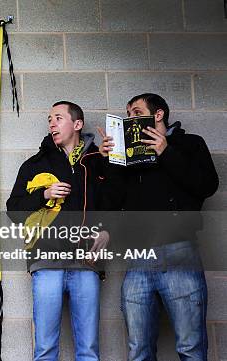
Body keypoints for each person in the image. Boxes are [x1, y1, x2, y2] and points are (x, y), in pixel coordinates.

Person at [99, 93, 219, 361]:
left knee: (191, 348)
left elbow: (207, 185)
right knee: (138, 350)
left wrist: (166, 151)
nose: (130, 118)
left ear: (158, 115)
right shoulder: (126, 155)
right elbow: (110, 200)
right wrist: (111, 160)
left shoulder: (190, 144)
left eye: (136, 112)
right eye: (128, 114)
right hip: (138, 257)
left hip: (180, 252)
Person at [7, 101, 109, 361]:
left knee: (88, 350)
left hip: (86, 262)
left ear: (77, 124)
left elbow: (116, 202)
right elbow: (13, 210)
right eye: (49, 119)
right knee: (45, 349)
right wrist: (44, 194)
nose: (51, 123)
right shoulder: (34, 164)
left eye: (58, 118)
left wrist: (108, 231)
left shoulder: (98, 162)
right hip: (47, 261)